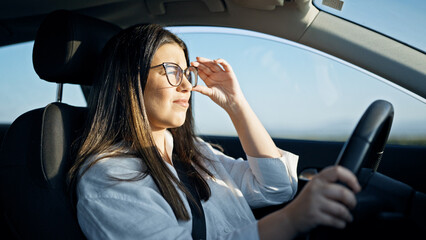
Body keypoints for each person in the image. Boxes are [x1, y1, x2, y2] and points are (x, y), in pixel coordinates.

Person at [68, 24, 361, 240]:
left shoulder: (193, 151)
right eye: (171, 71)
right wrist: (290, 220)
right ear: (125, 82)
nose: (186, 86)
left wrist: (236, 104)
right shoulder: (108, 179)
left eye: (186, 73)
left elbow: (277, 187)